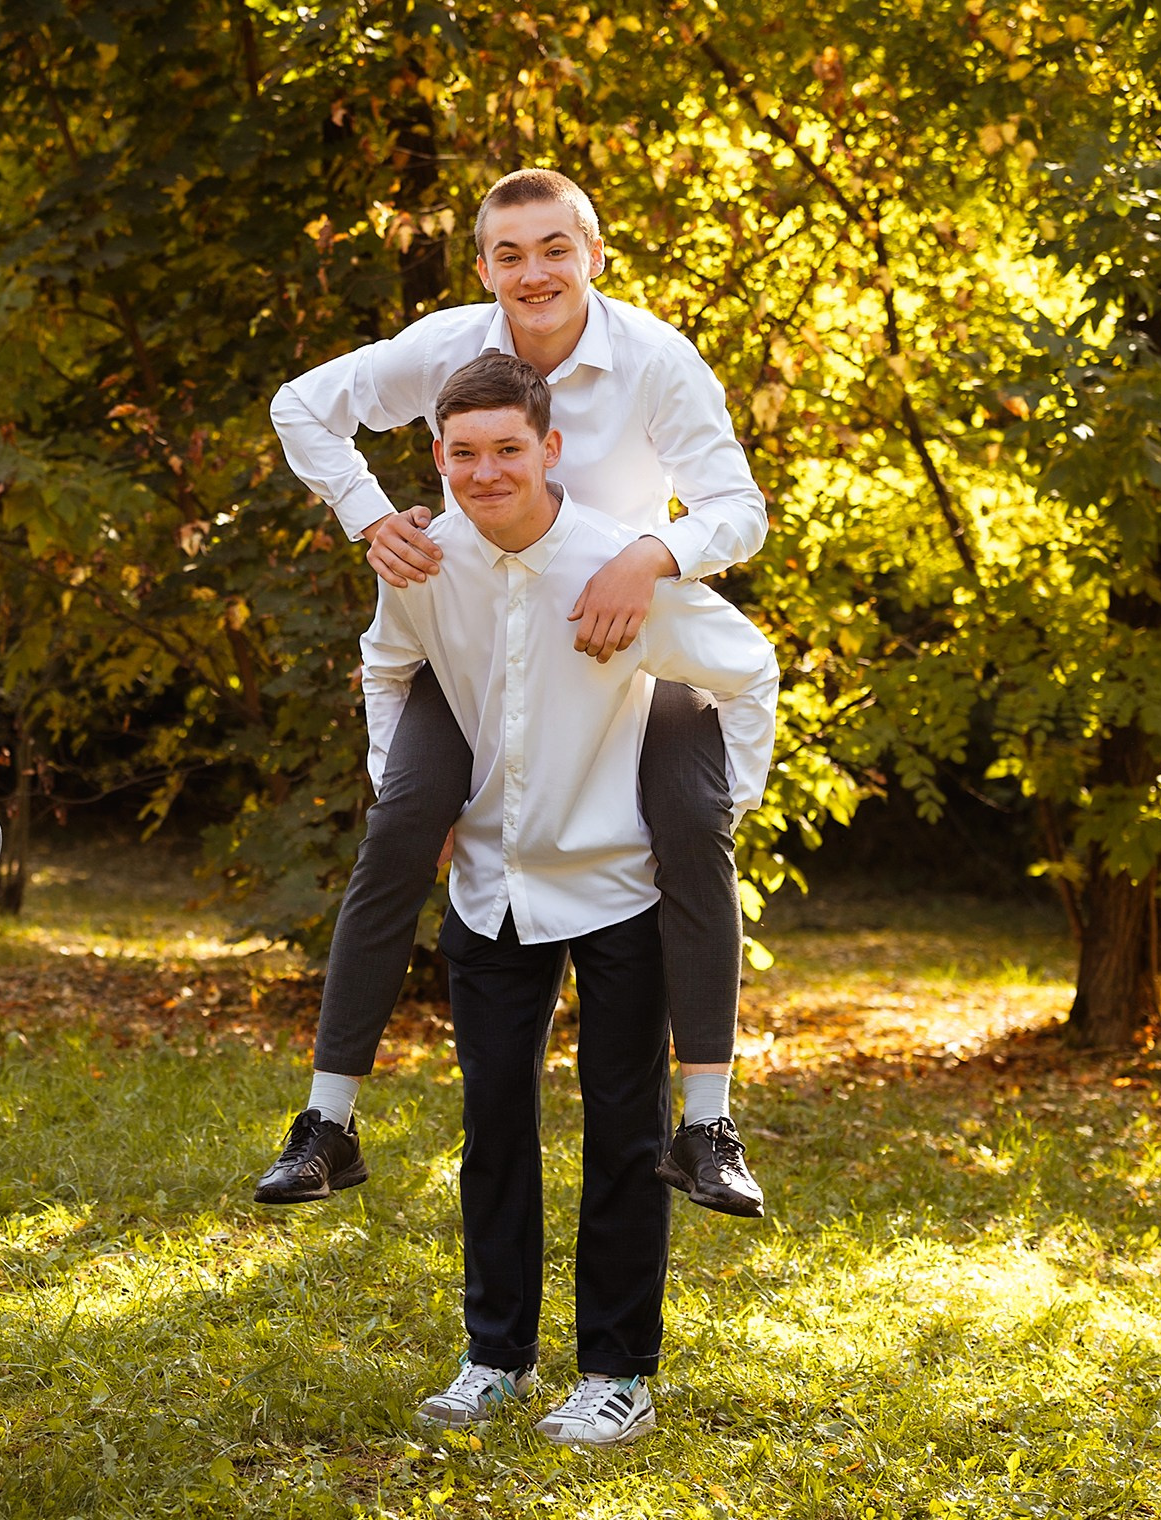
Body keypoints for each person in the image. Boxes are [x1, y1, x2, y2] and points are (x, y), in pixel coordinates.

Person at [257, 168, 767, 1217]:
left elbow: (736, 508)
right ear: (483, 264)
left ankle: (709, 1120)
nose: (532, 272)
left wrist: (652, 553)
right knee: (402, 817)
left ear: (592, 255)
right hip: (479, 630)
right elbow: (300, 406)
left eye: (553, 249)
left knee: (691, 815)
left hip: (625, 631)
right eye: (508, 253)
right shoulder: (449, 346)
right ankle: (327, 1119)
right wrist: (368, 514)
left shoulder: (654, 359)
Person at [376, 355, 778, 1444]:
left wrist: (702, 824)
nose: (484, 470)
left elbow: (747, 667)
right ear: (437, 457)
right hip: (490, 884)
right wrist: (416, 801)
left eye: (508, 448)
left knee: (623, 1129)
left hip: (620, 884)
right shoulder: (423, 562)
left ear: (550, 448)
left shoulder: (614, 564)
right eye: (463, 452)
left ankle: (618, 1371)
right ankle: (493, 1354)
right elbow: (385, 668)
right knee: (492, 1120)